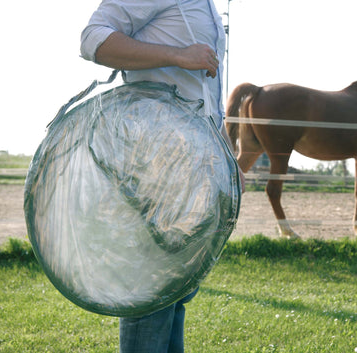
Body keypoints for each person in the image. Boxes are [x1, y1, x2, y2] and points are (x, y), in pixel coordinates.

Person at [80, 1, 243, 352]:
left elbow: (206, 95)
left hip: (197, 164)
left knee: (178, 287)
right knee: (153, 288)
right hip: (155, 159)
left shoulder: (207, 6)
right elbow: (93, 39)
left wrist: (228, 159)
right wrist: (178, 55)